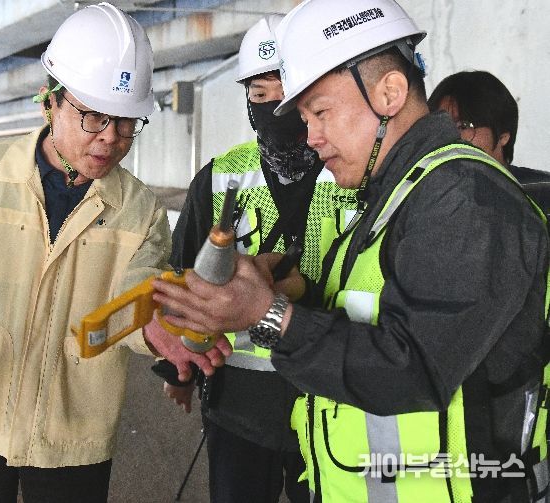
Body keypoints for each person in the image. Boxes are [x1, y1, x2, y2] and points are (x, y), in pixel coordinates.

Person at [153, 0, 550, 501]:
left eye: (320, 112)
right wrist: (290, 287)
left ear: (389, 92)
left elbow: (412, 370)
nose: (311, 138)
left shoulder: (465, 199)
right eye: (304, 118)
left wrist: (267, 313)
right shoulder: (398, 194)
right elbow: (374, 314)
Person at [0, 3, 230, 501]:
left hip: (73, 439)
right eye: (93, 116)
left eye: (126, 122)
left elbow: (138, 288)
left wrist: (153, 322)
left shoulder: (139, 208)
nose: (111, 138)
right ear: (50, 101)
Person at [158, 15, 357, 503]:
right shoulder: (221, 178)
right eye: (259, 95)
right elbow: (181, 276)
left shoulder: (352, 171)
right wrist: (179, 367)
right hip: (240, 404)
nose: (274, 110)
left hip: (333, 398)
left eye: (285, 94)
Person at [428, 70, 550, 217]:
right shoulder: (423, 199)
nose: (447, 137)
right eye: (440, 125)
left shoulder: (542, 193)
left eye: (463, 126)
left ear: (503, 136)